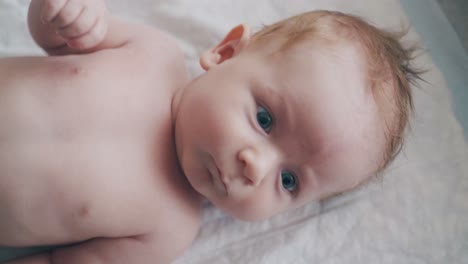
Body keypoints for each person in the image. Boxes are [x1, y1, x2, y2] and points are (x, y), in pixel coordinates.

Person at [0, 0, 420, 263]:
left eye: (289, 181)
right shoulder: (151, 53)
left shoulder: (166, 231)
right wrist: (63, 13)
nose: (255, 166)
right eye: (265, 120)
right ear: (225, 52)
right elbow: (53, 39)